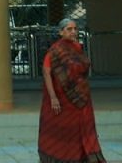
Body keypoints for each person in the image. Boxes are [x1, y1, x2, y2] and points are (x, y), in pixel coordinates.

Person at [38, 18, 106, 163]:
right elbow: (46, 71)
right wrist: (53, 97)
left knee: (84, 130)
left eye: (75, 29)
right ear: (61, 32)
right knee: (64, 134)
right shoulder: (55, 50)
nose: (73, 32)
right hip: (63, 100)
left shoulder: (78, 49)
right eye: (69, 29)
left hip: (82, 98)